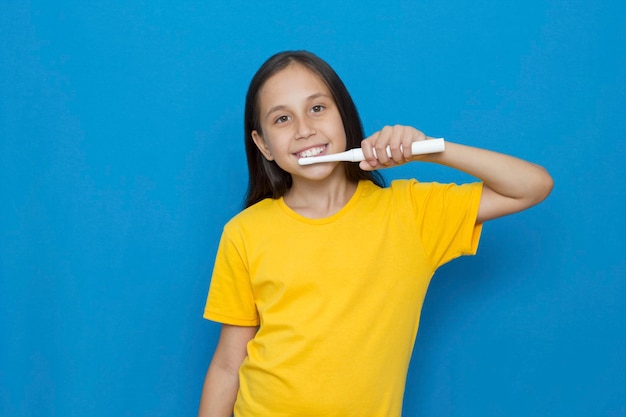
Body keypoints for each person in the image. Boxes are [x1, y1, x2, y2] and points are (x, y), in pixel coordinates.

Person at [198, 50, 553, 417]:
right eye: (282, 118)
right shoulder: (245, 232)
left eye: (318, 108)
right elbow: (227, 365)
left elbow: (532, 185)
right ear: (263, 145)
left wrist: (429, 152)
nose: (304, 129)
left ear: (345, 117)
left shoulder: (411, 213)